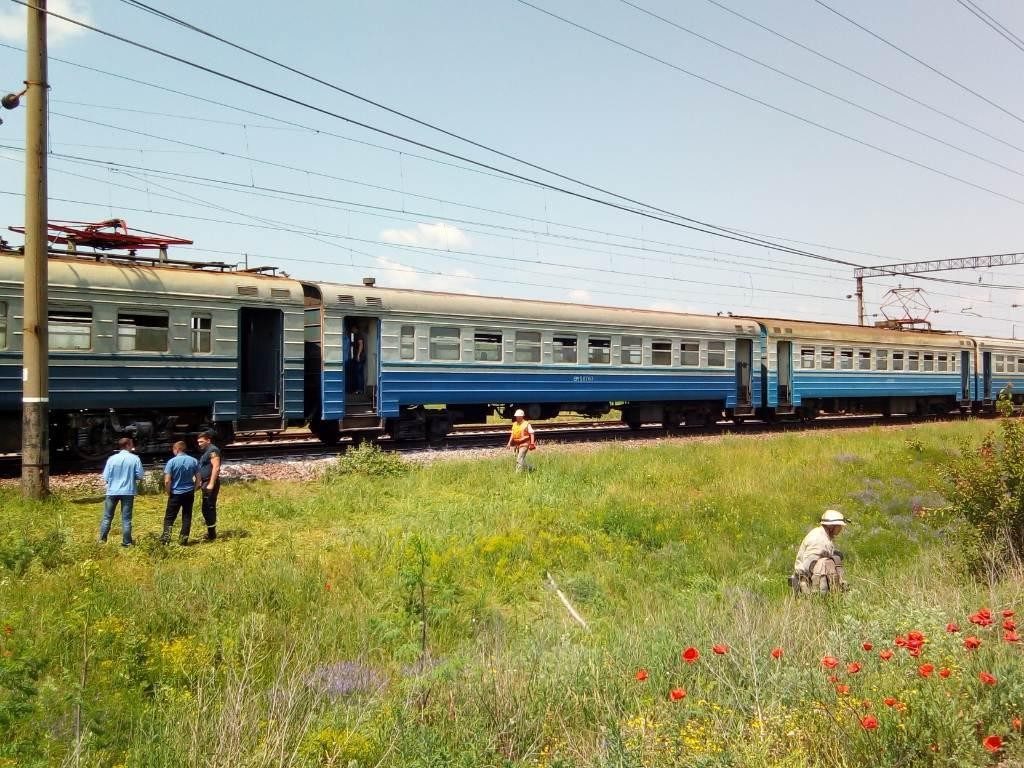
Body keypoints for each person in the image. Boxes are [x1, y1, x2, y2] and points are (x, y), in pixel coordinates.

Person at [791, 509, 850, 594]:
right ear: (831, 526)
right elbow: (808, 566)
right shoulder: (819, 540)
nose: (841, 528)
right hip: (810, 587)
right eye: (839, 526)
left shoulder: (822, 534)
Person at [99, 436, 144, 547]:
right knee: (126, 519)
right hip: (128, 491)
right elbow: (140, 475)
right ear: (127, 445)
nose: (133, 446)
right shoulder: (135, 459)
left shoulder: (111, 459)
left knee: (107, 517)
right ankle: (127, 542)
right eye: (132, 444)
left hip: (112, 491)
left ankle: (102, 540)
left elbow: (106, 477)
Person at [160, 441, 200, 545]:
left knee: (169, 517)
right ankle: (183, 540)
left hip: (175, 493)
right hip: (189, 492)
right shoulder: (194, 461)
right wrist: (194, 489)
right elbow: (198, 478)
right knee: (187, 516)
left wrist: (169, 492)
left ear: (177, 449)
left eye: (173, 449)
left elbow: (167, 480)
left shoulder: (171, 462)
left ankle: (166, 539)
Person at [196, 431, 222, 541]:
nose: (199, 444)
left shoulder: (213, 450)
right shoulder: (207, 451)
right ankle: (211, 532)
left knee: (209, 507)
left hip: (209, 483)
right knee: (206, 507)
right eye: (198, 442)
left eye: (201, 441)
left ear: (208, 440)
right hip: (205, 482)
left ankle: (212, 535)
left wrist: (211, 483)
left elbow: (216, 467)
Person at [349, 322, 366, 395]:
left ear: (355, 328)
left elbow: (361, 345)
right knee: (359, 374)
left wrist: (358, 355)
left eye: (352, 329)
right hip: (359, 357)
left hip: (360, 357)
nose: (352, 330)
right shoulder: (356, 335)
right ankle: (359, 389)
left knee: (358, 374)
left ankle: (359, 389)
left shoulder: (359, 335)